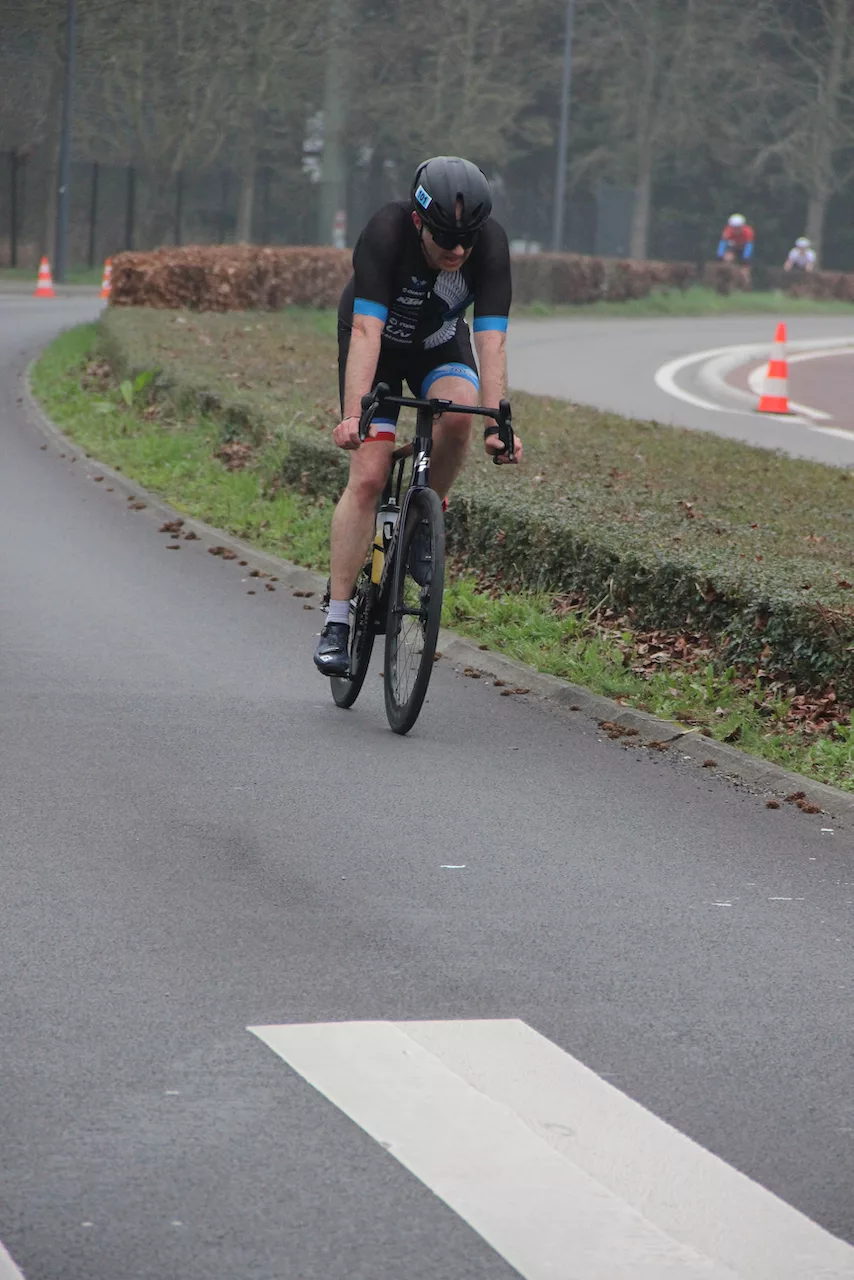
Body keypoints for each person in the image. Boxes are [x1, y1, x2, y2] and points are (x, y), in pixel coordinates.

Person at [314, 155, 523, 676]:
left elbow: (491, 340)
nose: (458, 250)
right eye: (445, 238)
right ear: (417, 221)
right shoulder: (387, 231)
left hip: (437, 342)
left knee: (459, 418)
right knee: (368, 475)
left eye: (466, 239)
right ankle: (337, 620)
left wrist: (498, 426)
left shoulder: (490, 245)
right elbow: (366, 332)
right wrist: (354, 416)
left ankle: (422, 524)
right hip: (378, 343)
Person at [716, 213, 754, 283]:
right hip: (733, 246)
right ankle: (726, 273)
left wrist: (746, 256)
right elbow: (723, 243)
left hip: (743, 247)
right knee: (728, 257)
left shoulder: (748, 231)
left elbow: (749, 245)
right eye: (734, 227)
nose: (736, 229)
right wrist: (720, 254)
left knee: (745, 266)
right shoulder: (728, 230)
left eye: (738, 227)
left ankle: (746, 281)